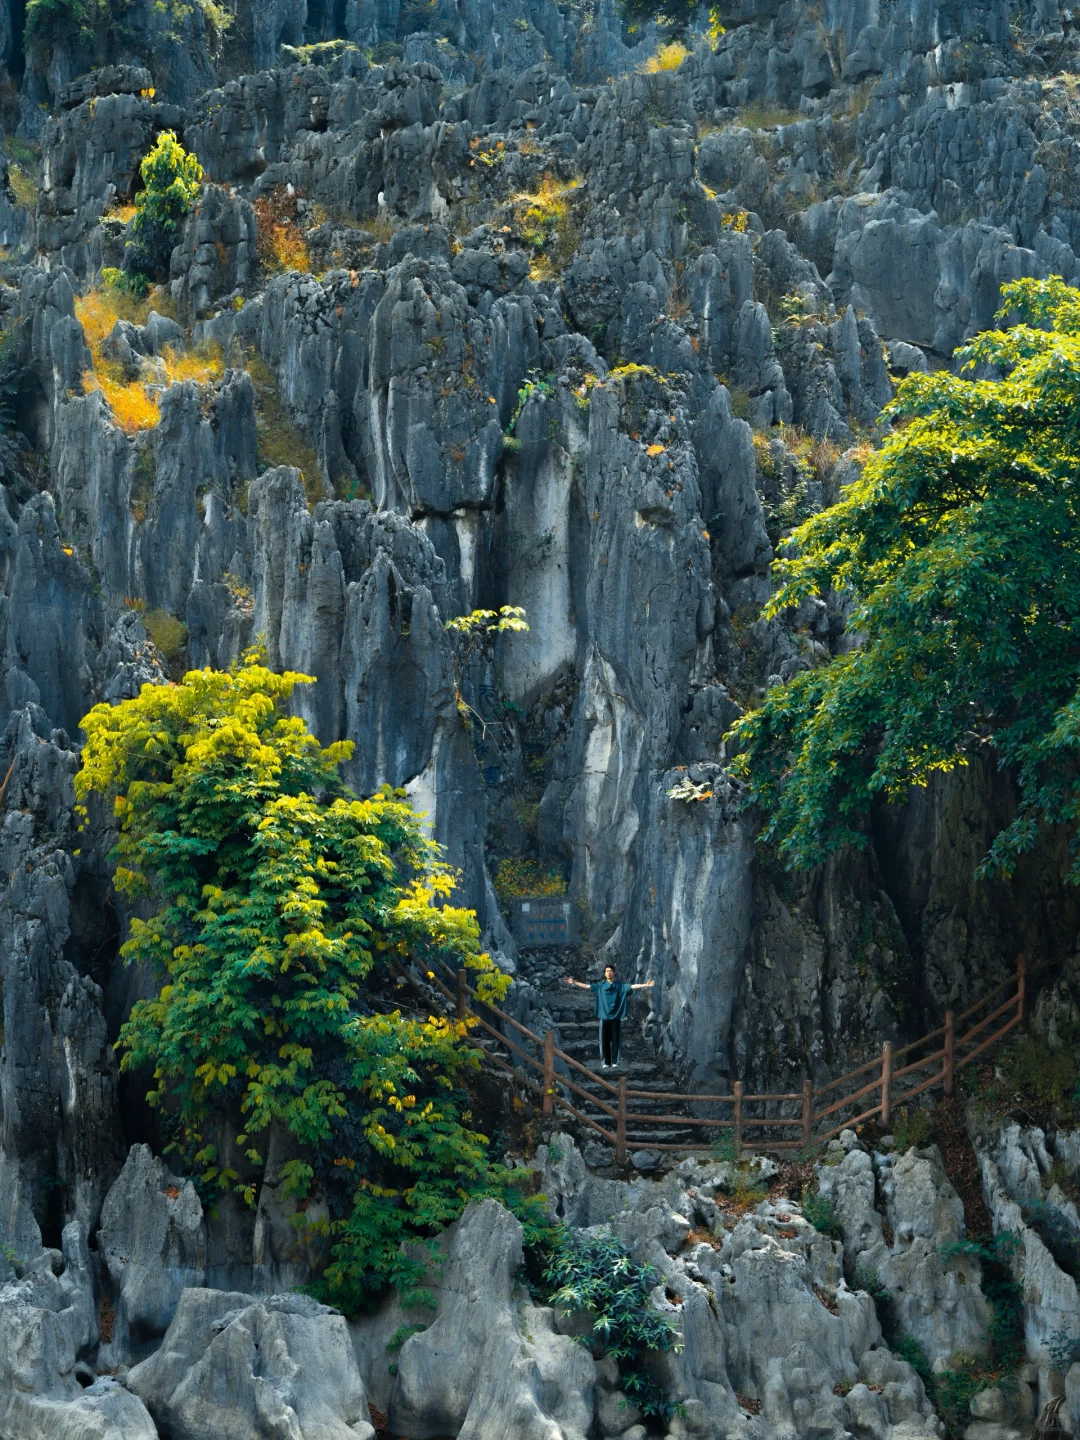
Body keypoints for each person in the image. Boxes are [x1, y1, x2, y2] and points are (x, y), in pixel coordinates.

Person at [565, 965, 655, 1069]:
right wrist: (574, 982)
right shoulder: (601, 985)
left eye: (611, 971)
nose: (609, 973)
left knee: (616, 1039)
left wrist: (645, 984)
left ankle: (615, 1061)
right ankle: (605, 1062)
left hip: (615, 1017)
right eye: (607, 971)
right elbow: (587, 986)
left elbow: (632, 986)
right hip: (604, 1017)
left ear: (614, 973)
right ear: (604, 974)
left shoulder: (619, 986)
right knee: (604, 1040)